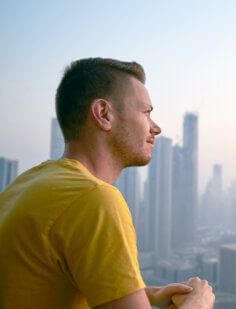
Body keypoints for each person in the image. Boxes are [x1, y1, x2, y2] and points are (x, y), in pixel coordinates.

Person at [0, 58, 215, 308]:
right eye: (146, 112)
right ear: (104, 114)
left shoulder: (27, 184)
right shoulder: (94, 199)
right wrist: (198, 303)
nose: (156, 128)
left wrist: (140, 294)